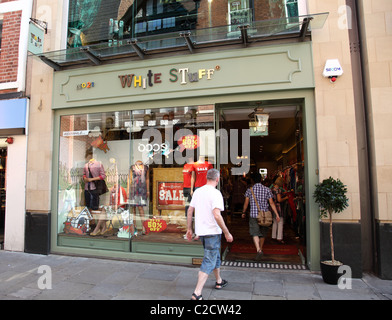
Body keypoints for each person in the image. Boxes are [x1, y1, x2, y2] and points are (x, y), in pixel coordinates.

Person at [186, 169, 233, 300]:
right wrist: (227, 232)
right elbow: (217, 215)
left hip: (202, 232)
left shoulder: (198, 191)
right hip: (212, 231)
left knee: (214, 256)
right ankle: (197, 293)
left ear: (207, 178)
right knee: (208, 260)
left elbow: (190, 211)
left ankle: (219, 281)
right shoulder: (216, 193)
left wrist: (189, 228)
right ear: (217, 180)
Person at [241, 174, 280, 261]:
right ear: (261, 180)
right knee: (262, 233)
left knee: (254, 233)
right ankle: (260, 249)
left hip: (254, 215)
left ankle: (258, 250)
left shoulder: (249, 190)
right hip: (265, 215)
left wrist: (243, 212)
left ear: (252, 181)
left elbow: (246, 203)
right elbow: (272, 203)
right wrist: (277, 214)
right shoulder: (267, 189)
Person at [128, 160, 149, 235]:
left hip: (142, 189)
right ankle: (134, 227)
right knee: (133, 209)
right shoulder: (132, 168)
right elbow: (129, 179)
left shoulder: (145, 168)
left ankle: (144, 227)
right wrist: (128, 190)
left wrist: (148, 190)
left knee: (140, 208)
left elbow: (147, 179)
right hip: (133, 189)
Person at [271, 178, 288, 244]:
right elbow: (279, 200)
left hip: (272, 206)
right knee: (280, 221)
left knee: (275, 221)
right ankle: (279, 237)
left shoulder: (272, 188)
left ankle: (273, 236)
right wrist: (286, 198)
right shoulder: (278, 190)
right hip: (278, 207)